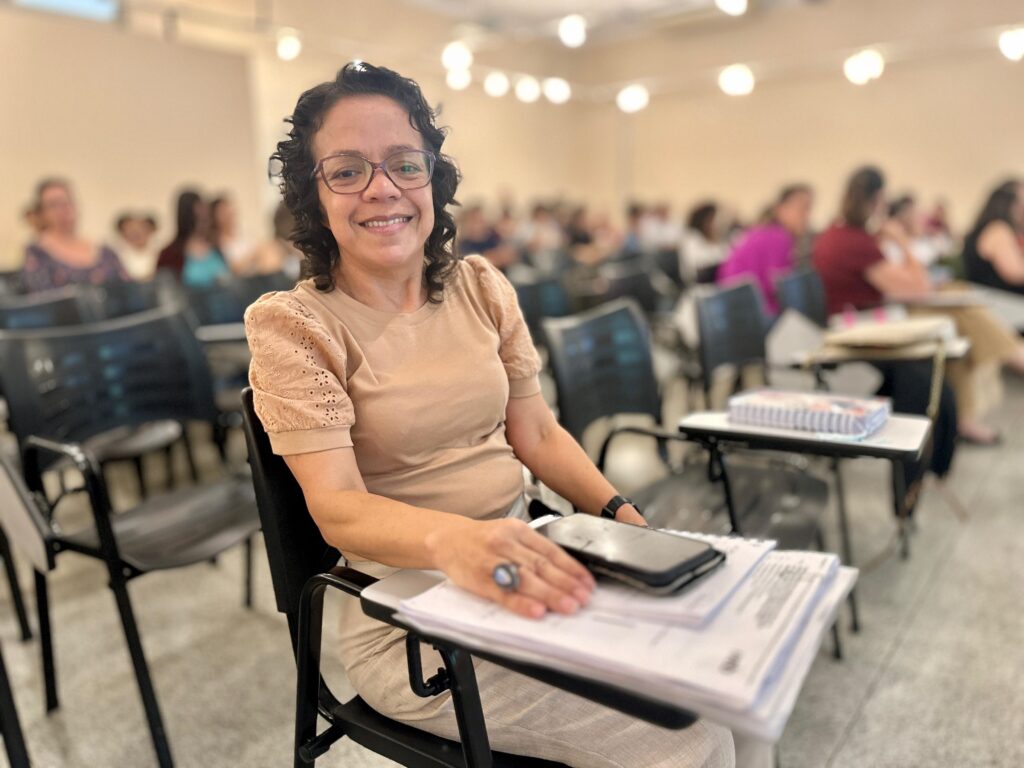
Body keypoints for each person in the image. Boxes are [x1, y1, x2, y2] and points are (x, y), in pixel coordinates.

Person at [245, 62, 733, 768]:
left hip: (528, 557)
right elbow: (339, 509)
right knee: (690, 742)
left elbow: (534, 432)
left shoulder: (480, 286)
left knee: (731, 694)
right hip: (408, 620)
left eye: (404, 164)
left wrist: (624, 517)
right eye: (347, 171)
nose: (383, 188)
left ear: (433, 180)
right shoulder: (293, 326)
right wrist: (458, 543)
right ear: (312, 196)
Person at [814, 166, 1024, 446]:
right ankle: (1012, 356)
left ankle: (968, 413)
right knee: (957, 314)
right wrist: (901, 240)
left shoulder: (846, 235)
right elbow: (920, 287)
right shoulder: (853, 241)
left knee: (957, 311)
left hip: (869, 315)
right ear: (877, 199)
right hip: (859, 324)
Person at [716, 184, 813, 315]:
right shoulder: (777, 238)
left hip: (736, 310)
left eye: (808, 209)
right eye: (801, 209)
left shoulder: (764, 232)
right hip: (749, 313)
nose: (806, 216)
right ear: (781, 209)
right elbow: (780, 288)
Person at [20, 178, 128, 293]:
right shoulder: (37, 254)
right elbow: (43, 300)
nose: (63, 209)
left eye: (67, 202)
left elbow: (129, 288)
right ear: (42, 213)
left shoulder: (104, 250)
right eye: (54, 205)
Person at [962, 179, 1024, 295]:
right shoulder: (998, 230)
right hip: (1004, 305)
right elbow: (1014, 273)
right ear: (1012, 205)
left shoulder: (989, 228)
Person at [156, 190, 230, 287]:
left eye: (206, 217)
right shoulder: (170, 254)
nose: (204, 222)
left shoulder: (215, 247)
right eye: (198, 218)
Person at [681, 201, 728, 284]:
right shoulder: (692, 238)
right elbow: (697, 263)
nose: (716, 224)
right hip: (698, 284)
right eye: (713, 220)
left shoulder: (716, 239)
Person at [209, 194, 252, 272]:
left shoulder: (243, 234)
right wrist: (254, 256)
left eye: (228, 208)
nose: (228, 214)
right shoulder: (217, 243)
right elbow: (231, 268)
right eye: (223, 211)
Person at [112, 212, 159, 280]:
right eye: (130, 230)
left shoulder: (158, 249)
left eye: (142, 229)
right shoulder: (115, 252)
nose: (137, 233)